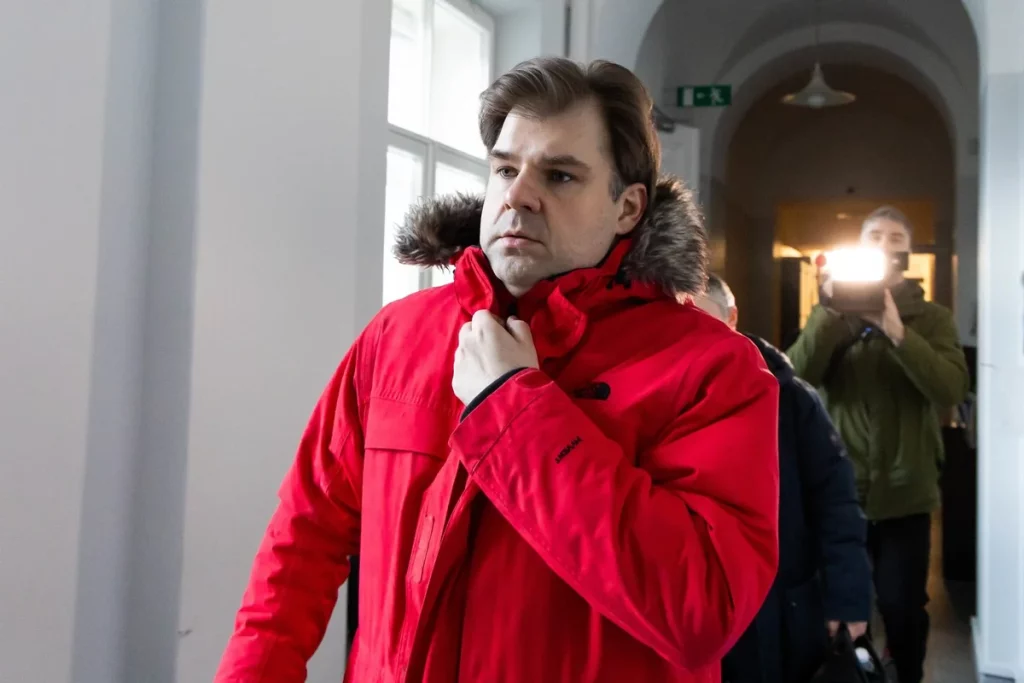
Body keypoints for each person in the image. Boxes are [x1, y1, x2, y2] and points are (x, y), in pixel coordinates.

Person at [215, 56, 781, 683]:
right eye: (506, 168)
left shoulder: (712, 369)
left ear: (627, 208)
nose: (518, 195)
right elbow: (303, 538)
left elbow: (700, 610)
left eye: (560, 176)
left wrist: (514, 406)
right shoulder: (398, 336)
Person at [787, 207, 970, 683]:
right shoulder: (830, 315)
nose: (884, 246)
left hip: (906, 490)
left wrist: (898, 332)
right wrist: (829, 315)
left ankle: (906, 673)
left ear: (906, 254)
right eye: (874, 237)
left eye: (895, 239)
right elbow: (794, 379)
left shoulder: (932, 319)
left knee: (902, 605)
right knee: (843, 605)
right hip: (840, 491)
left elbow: (951, 389)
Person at [689, 275, 872, 683]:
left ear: (731, 318)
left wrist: (847, 599)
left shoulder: (791, 399)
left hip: (781, 608)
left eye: (703, 320)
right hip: (697, 608)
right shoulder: (658, 399)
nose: (693, 337)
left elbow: (835, 503)